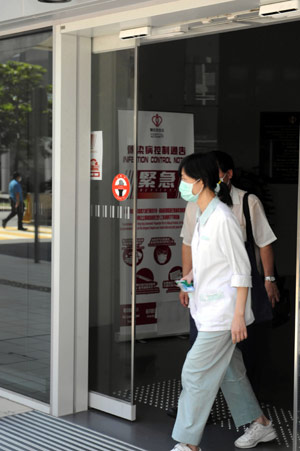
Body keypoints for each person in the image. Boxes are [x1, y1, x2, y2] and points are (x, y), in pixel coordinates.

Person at [171, 153, 276, 451]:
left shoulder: (223, 218)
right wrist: (186, 284)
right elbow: (206, 265)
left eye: (184, 180)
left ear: (201, 183)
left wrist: (238, 317)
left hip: (222, 315)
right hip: (206, 310)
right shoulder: (203, 216)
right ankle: (260, 424)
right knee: (231, 372)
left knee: (194, 372)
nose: (181, 185)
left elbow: (241, 270)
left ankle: (188, 444)